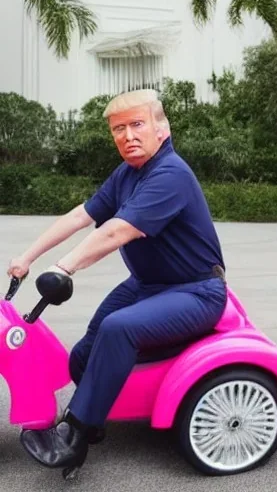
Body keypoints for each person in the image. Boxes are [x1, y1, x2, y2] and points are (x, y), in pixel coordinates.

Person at [7, 89, 228, 471]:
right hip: (147, 285)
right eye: (118, 129)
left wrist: (64, 267)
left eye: (137, 124)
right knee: (84, 353)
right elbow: (82, 215)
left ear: (162, 128)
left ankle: (76, 433)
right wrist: (28, 257)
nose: (127, 136)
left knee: (117, 328)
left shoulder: (170, 174)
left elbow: (116, 232)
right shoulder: (128, 174)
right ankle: (96, 414)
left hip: (195, 291)